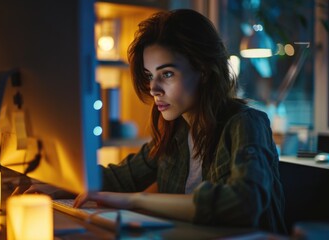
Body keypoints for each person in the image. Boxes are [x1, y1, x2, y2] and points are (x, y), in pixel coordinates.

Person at [24, 9, 287, 234]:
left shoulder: (246, 123)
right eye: (150, 76)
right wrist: (58, 184)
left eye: (167, 74)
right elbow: (121, 178)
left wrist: (136, 201)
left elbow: (243, 205)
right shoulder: (175, 133)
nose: (153, 89)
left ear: (204, 71)